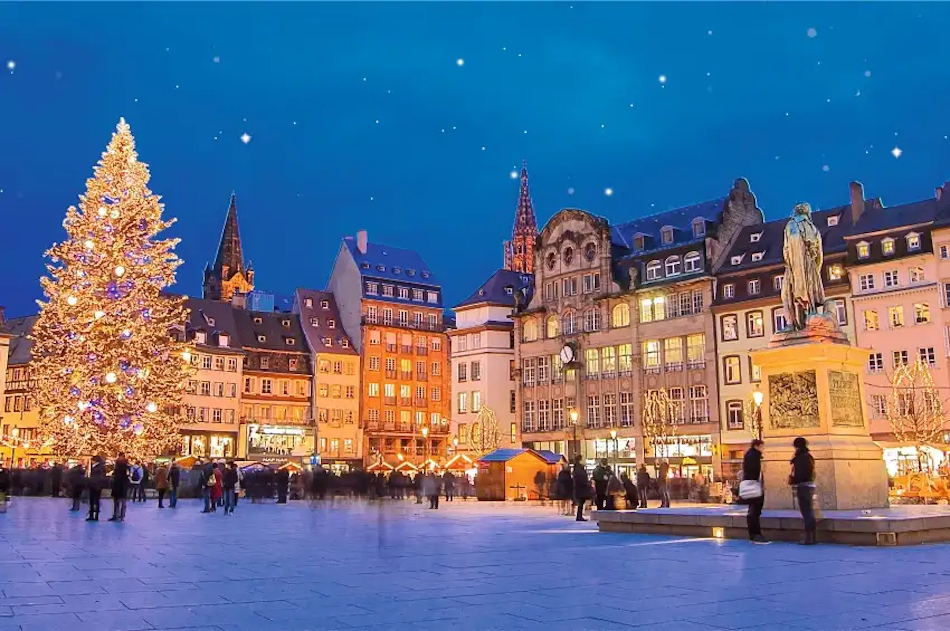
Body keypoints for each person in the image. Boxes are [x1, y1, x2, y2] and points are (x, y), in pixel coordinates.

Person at [790, 437, 817, 545]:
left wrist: (794, 480)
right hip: (810, 485)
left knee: (806, 512)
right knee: (809, 511)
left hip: (803, 486)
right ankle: (812, 537)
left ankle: (809, 538)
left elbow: (800, 474)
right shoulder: (808, 456)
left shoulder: (800, 457)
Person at [742, 439, 768, 544]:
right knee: (754, 511)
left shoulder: (751, 455)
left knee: (753, 510)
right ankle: (756, 535)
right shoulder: (754, 456)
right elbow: (754, 471)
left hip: (753, 485)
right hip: (754, 486)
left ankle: (754, 534)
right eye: (762, 446)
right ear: (757, 446)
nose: (763, 449)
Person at [109, 453, 129, 522]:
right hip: (124, 487)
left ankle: (116, 515)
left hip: (117, 486)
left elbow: (114, 477)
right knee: (123, 502)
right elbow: (128, 476)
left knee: (116, 502)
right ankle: (122, 516)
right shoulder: (126, 466)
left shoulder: (117, 467)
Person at [571, 454, 591, 522]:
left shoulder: (576, 467)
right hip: (581, 487)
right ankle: (579, 516)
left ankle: (579, 515)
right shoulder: (579, 468)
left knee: (581, 502)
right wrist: (586, 483)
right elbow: (581, 478)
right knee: (581, 502)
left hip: (580, 487)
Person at [86, 455, 106, 521]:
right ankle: (95, 515)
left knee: (93, 501)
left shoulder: (97, 468)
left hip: (94, 486)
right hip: (97, 486)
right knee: (96, 501)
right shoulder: (101, 467)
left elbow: (96, 477)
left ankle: (93, 515)